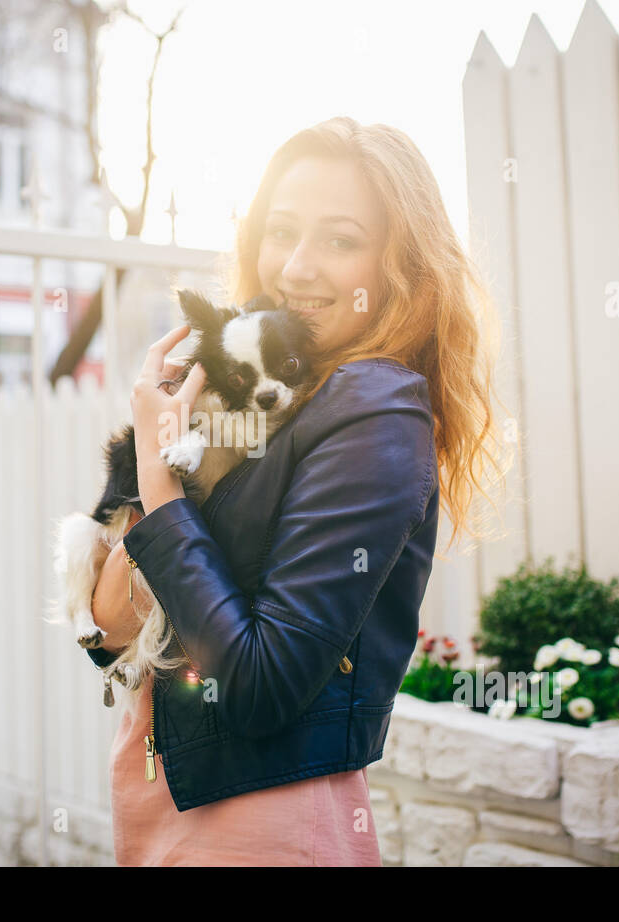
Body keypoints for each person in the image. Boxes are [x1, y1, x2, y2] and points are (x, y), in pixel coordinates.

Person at [87, 116, 509, 866]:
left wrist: (159, 473)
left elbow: (258, 685)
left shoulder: (373, 410)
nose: (297, 268)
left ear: (401, 266)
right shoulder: (258, 393)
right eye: (281, 231)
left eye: (341, 240)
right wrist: (156, 480)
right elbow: (110, 627)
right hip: (166, 786)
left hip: (260, 818)